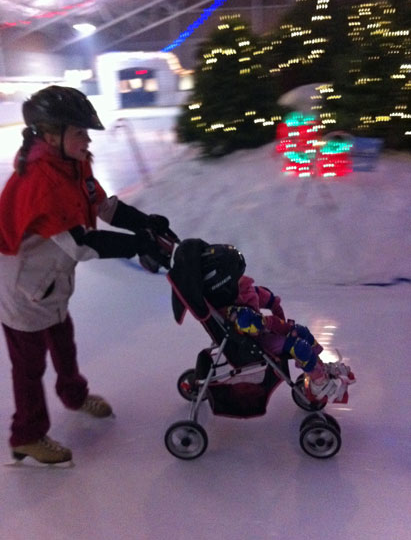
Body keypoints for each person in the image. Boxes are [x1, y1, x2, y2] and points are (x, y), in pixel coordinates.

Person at [0, 86, 172, 465]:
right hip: (21, 285)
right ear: (50, 134)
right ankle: (26, 434)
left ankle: (74, 396)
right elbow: (81, 244)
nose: (87, 138)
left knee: (64, 340)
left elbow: (101, 204)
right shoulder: (40, 181)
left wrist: (144, 224)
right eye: (79, 131)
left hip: (49, 279)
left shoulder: (73, 164)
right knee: (29, 364)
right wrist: (137, 246)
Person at [200, 244, 355, 404]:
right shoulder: (230, 310)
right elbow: (253, 324)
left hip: (264, 332)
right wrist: (275, 324)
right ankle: (318, 384)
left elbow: (259, 296)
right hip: (254, 342)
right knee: (298, 346)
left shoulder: (240, 290)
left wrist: (276, 309)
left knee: (301, 331)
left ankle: (319, 367)